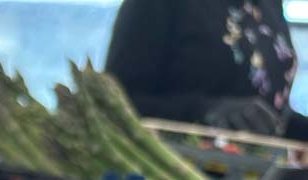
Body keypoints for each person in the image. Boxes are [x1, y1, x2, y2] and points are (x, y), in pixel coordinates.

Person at [106, 0, 308, 139]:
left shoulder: (268, 4)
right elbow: (113, 102)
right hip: (174, 178)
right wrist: (204, 112)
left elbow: (269, 111)